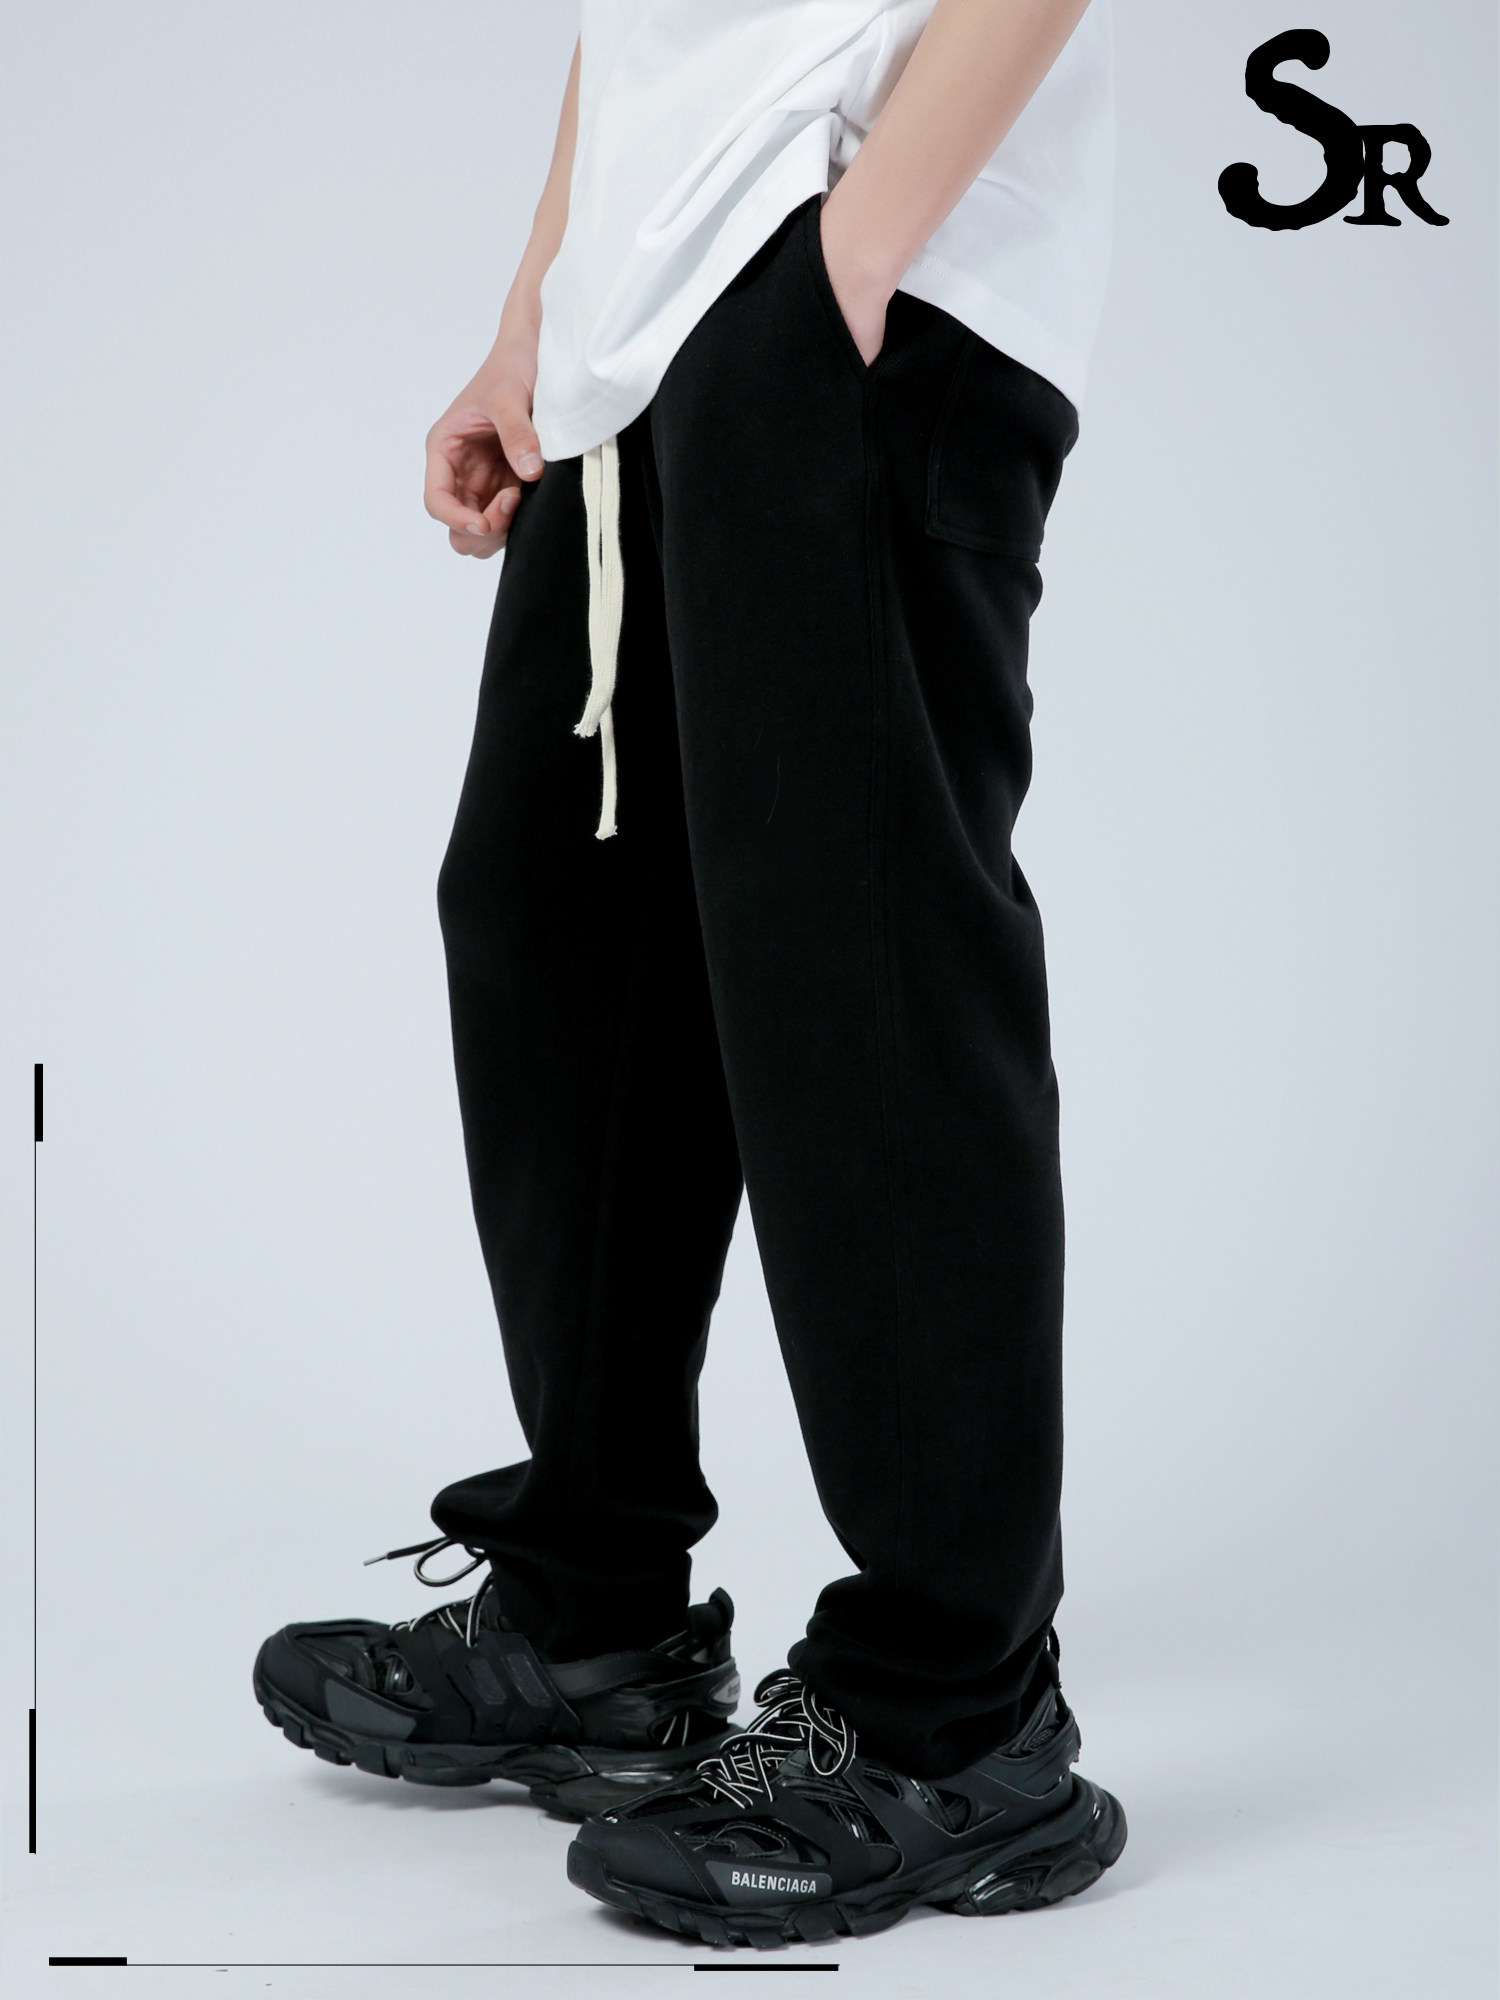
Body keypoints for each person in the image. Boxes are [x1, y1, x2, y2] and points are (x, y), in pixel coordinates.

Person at [254, 0, 1126, 1945]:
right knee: (555, 939)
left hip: (857, 279)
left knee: (862, 977)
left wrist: (855, 257)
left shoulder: (851, 278)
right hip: (639, 334)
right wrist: (538, 321)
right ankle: (598, 1619)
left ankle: (959, 1710)